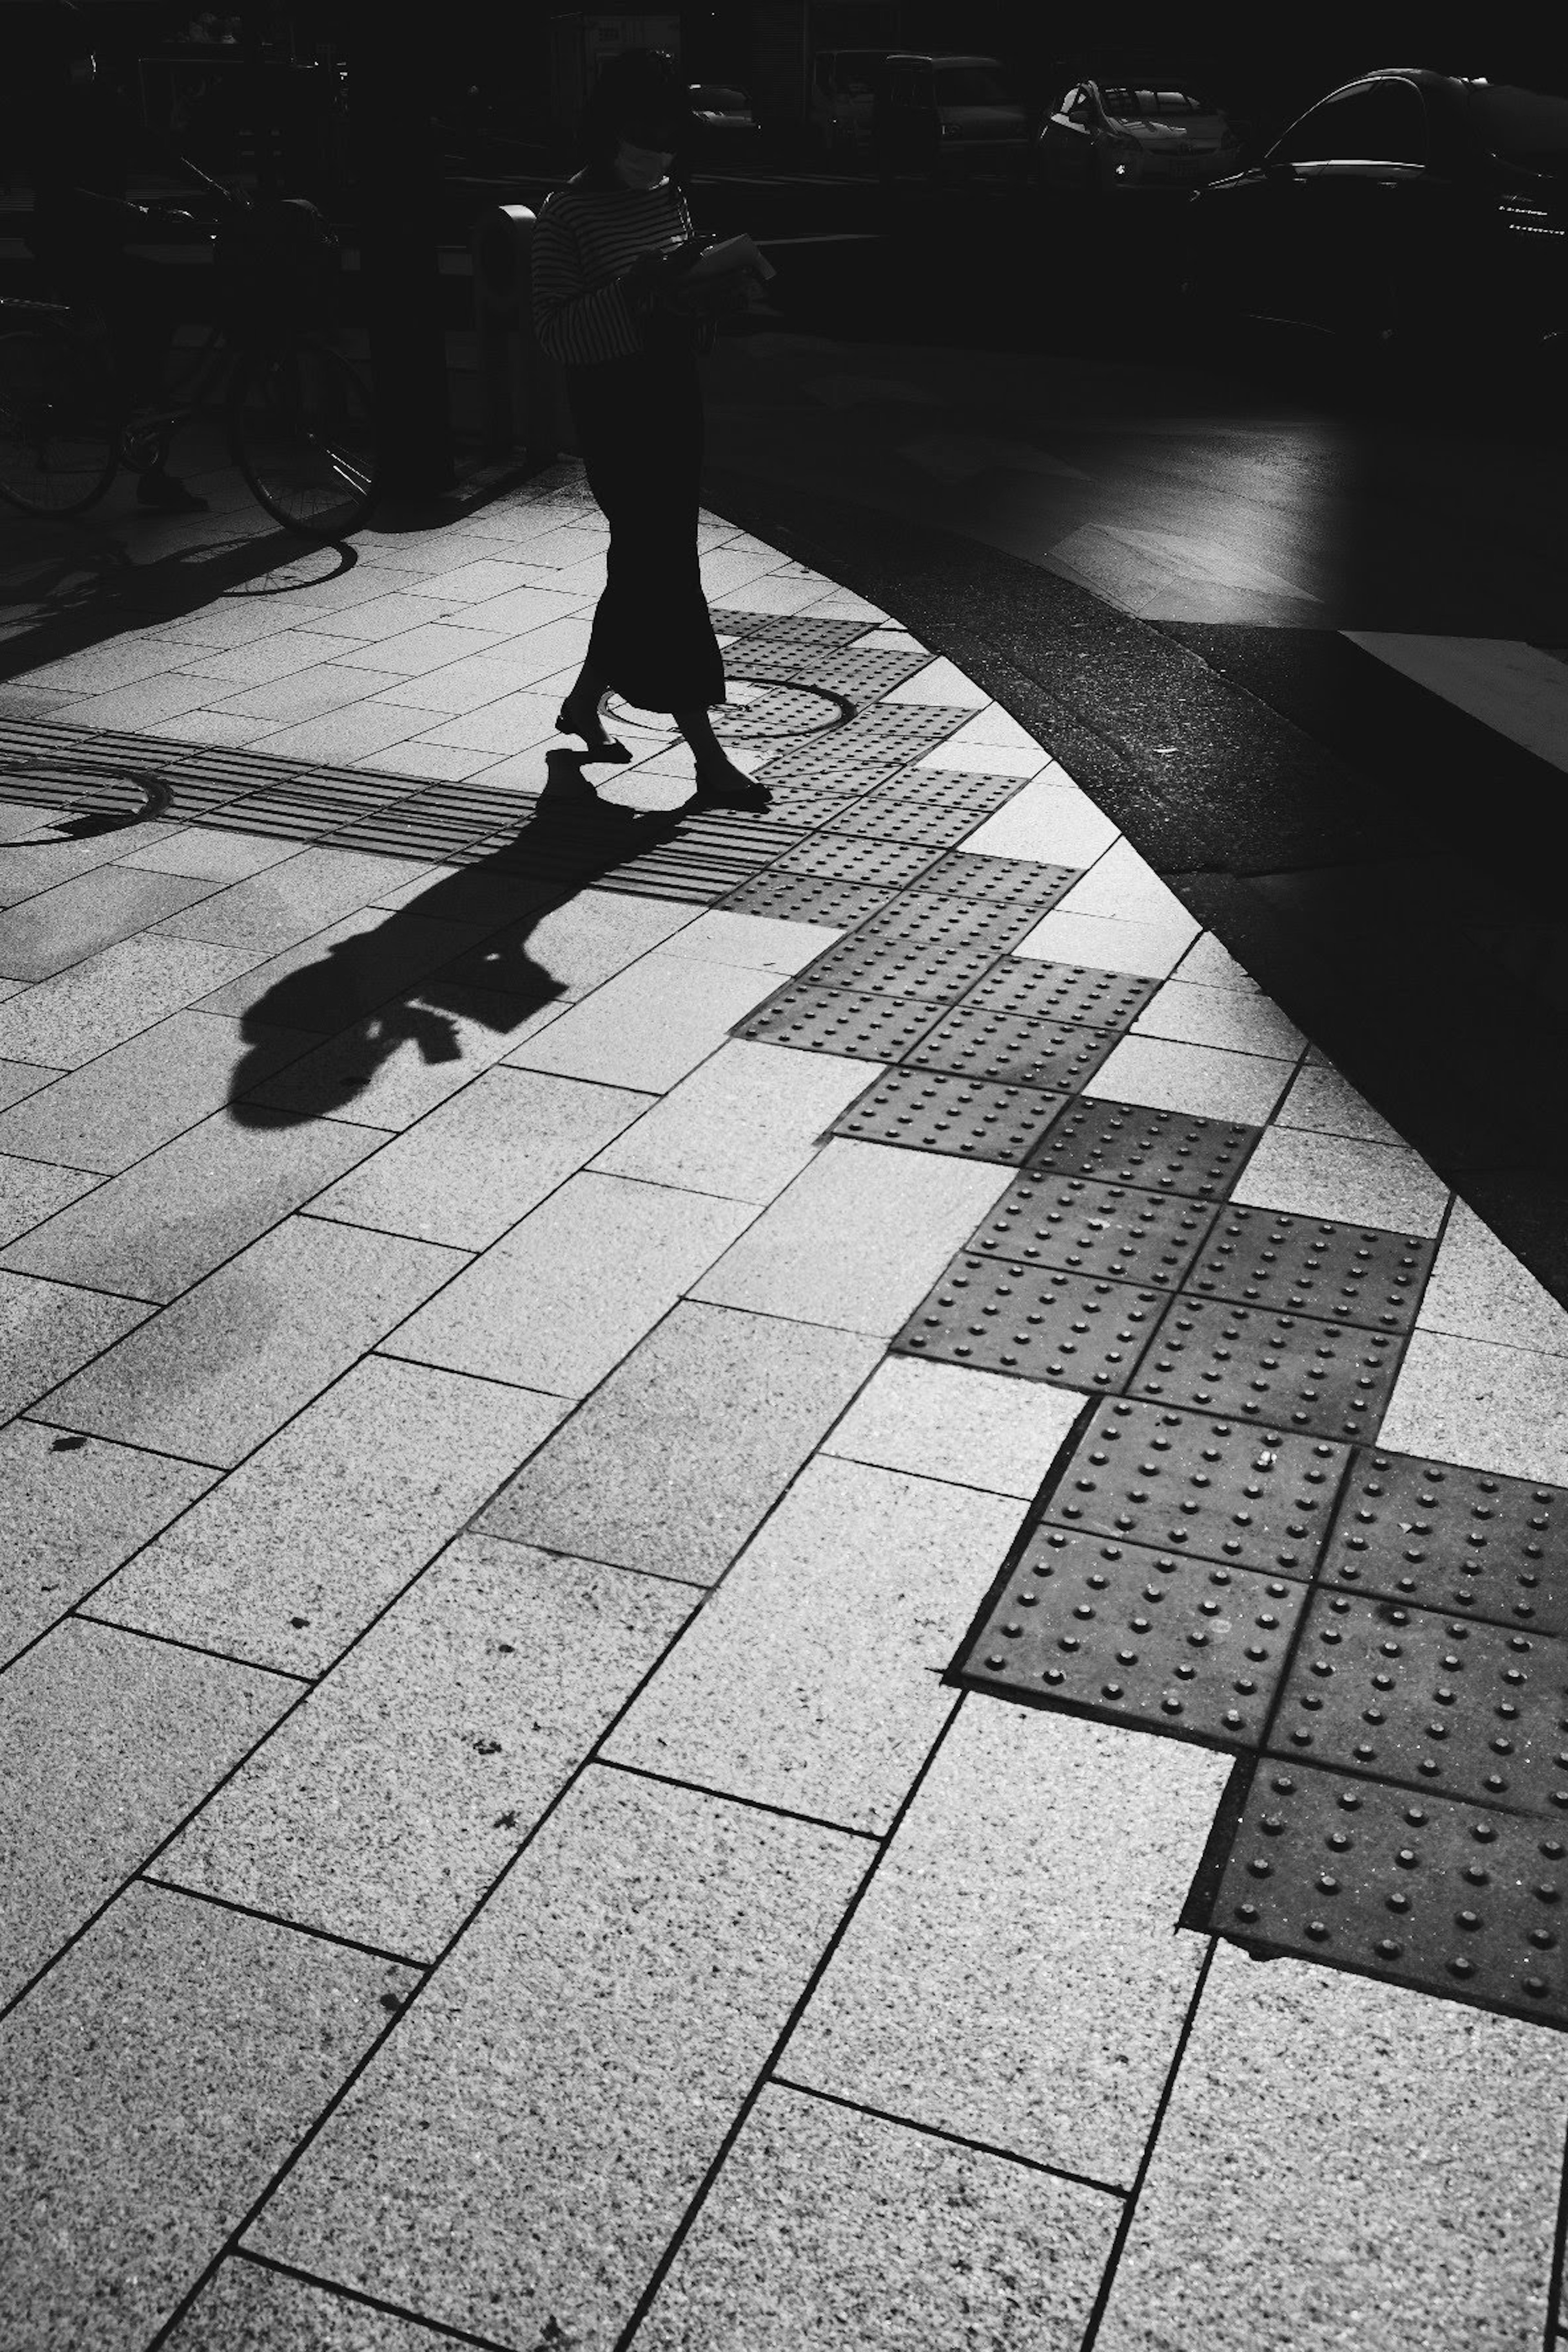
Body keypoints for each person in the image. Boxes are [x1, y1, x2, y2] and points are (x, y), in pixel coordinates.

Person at [531, 47, 766, 806]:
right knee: (666, 570)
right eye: (642, 133)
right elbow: (557, 333)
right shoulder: (565, 213)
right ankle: (706, 755)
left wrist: (707, 295)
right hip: (617, 411)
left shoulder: (671, 195)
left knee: (643, 562)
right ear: (606, 129)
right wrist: (639, 291)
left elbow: (678, 311)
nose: (656, 150)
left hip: (672, 397)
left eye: (669, 136)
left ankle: (581, 703)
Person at [16, 0, 212, 511]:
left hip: (100, 237)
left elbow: (150, 145)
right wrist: (141, 214)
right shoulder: (39, 107)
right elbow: (58, 190)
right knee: (149, 304)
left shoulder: (98, 96)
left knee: (150, 307)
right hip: (65, 239)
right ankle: (138, 429)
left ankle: (135, 405)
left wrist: (214, 189)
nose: (89, 61)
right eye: (80, 53)